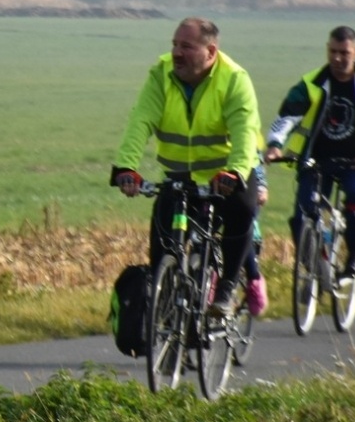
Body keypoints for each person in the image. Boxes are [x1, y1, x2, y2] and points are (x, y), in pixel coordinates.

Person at [112, 18, 262, 318]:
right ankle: (165, 318)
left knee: (242, 212)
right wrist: (126, 166)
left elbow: (245, 131)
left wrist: (235, 173)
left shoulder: (234, 79)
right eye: (175, 45)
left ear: (210, 51)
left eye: (187, 47)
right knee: (161, 251)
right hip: (179, 177)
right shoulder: (162, 73)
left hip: (226, 177)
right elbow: (140, 120)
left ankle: (226, 290)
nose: (177, 53)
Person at [265, 25, 355, 284]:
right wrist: (275, 144)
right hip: (318, 161)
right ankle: (313, 264)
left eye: (345, 52)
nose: (338, 58)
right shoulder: (313, 83)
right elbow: (288, 116)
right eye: (333, 52)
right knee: (302, 214)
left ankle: (353, 259)